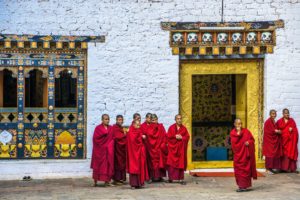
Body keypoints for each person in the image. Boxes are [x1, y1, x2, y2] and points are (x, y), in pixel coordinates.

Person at [230, 119, 257, 192]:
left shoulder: (246, 131)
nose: (239, 125)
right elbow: (234, 144)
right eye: (238, 124)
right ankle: (241, 185)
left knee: (246, 170)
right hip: (238, 155)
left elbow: (252, 140)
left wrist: (249, 142)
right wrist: (239, 133)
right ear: (234, 124)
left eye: (240, 124)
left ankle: (244, 186)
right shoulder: (232, 133)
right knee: (239, 170)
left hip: (245, 155)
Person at [90, 114, 114, 187]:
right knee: (97, 166)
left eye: (108, 119)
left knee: (107, 166)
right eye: (105, 119)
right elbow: (95, 139)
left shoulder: (111, 128)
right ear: (102, 120)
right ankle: (95, 181)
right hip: (99, 151)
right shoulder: (98, 128)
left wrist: (110, 145)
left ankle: (107, 182)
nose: (107, 120)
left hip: (107, 150)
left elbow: (113, 138)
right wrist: (104, 135)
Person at [166, 114, 190, 185]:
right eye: (178, 119)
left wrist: (182, 138)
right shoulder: (171, 128)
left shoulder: (184, 129)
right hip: (172, 149)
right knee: (171, 163)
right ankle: (171, 178)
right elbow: (168, 137)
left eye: (180, 119)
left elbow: (187, 137)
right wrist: (174, 136)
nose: (179, 120)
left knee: (180, 163)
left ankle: (180, 179)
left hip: (180, 150)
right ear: (175, 120)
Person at [127, 120, 149, 189]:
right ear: (133, 124)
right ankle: (133, 184)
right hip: (133, 153)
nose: (138, 126)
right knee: (134, 167)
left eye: (139, 125)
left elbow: (142, 141)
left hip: (139, 152)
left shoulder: (139, 131)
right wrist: (141, 137)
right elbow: (133, 141)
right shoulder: (130, 132)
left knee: (140, 166)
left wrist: (143, 137)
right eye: (137, 125)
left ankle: (140, 183)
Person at [145, 114, 168, 182]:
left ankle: (160, 177)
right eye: (153, 120)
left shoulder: (161, 127)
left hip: (159, 148)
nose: (154, 121)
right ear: (150, 120)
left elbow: (164, 136)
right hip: (152, 149)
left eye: (155, 120)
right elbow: (148, 137)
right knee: (152, 163)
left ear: (157, 119)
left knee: (160, 162)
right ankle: (152, 177)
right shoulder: (148, 128)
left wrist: (163, 144)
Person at [276, 108, 298, 173]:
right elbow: (277, 130)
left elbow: (295, 130)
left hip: (290, 142)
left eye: (288, 113)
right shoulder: (279, 121)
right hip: (282, 141)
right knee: (283, 155)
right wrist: (279, 131)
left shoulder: (292, 121)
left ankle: (291, 168)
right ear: (283, 114)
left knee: (290, 153)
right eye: (285, 113)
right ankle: (282, 168)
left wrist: (293, 130)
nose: (287, 114)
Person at [263, 110, 282, 174]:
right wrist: (276, 131)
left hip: (273, 140)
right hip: (269, 141)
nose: (274, 115)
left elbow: (275, 129)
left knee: (273, 154)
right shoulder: (268, 121)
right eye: (272, 114)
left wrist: (277, 131)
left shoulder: (274, 121)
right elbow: (267, 131)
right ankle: (268, 168)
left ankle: (272, 168)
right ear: (270, 114)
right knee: (269, 154)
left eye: (275, 114)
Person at [112, 115, 127, 185]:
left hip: (122, 150)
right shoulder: (114, 127)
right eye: (119, 120)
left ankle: (121, 179)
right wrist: (125, 135)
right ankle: (116, 179)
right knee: (117, 164)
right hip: (117, 149)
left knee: (122, 164)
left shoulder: (122, 128)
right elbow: (117, 137)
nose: (120, 121)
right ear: (116, 120)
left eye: (121, 120)